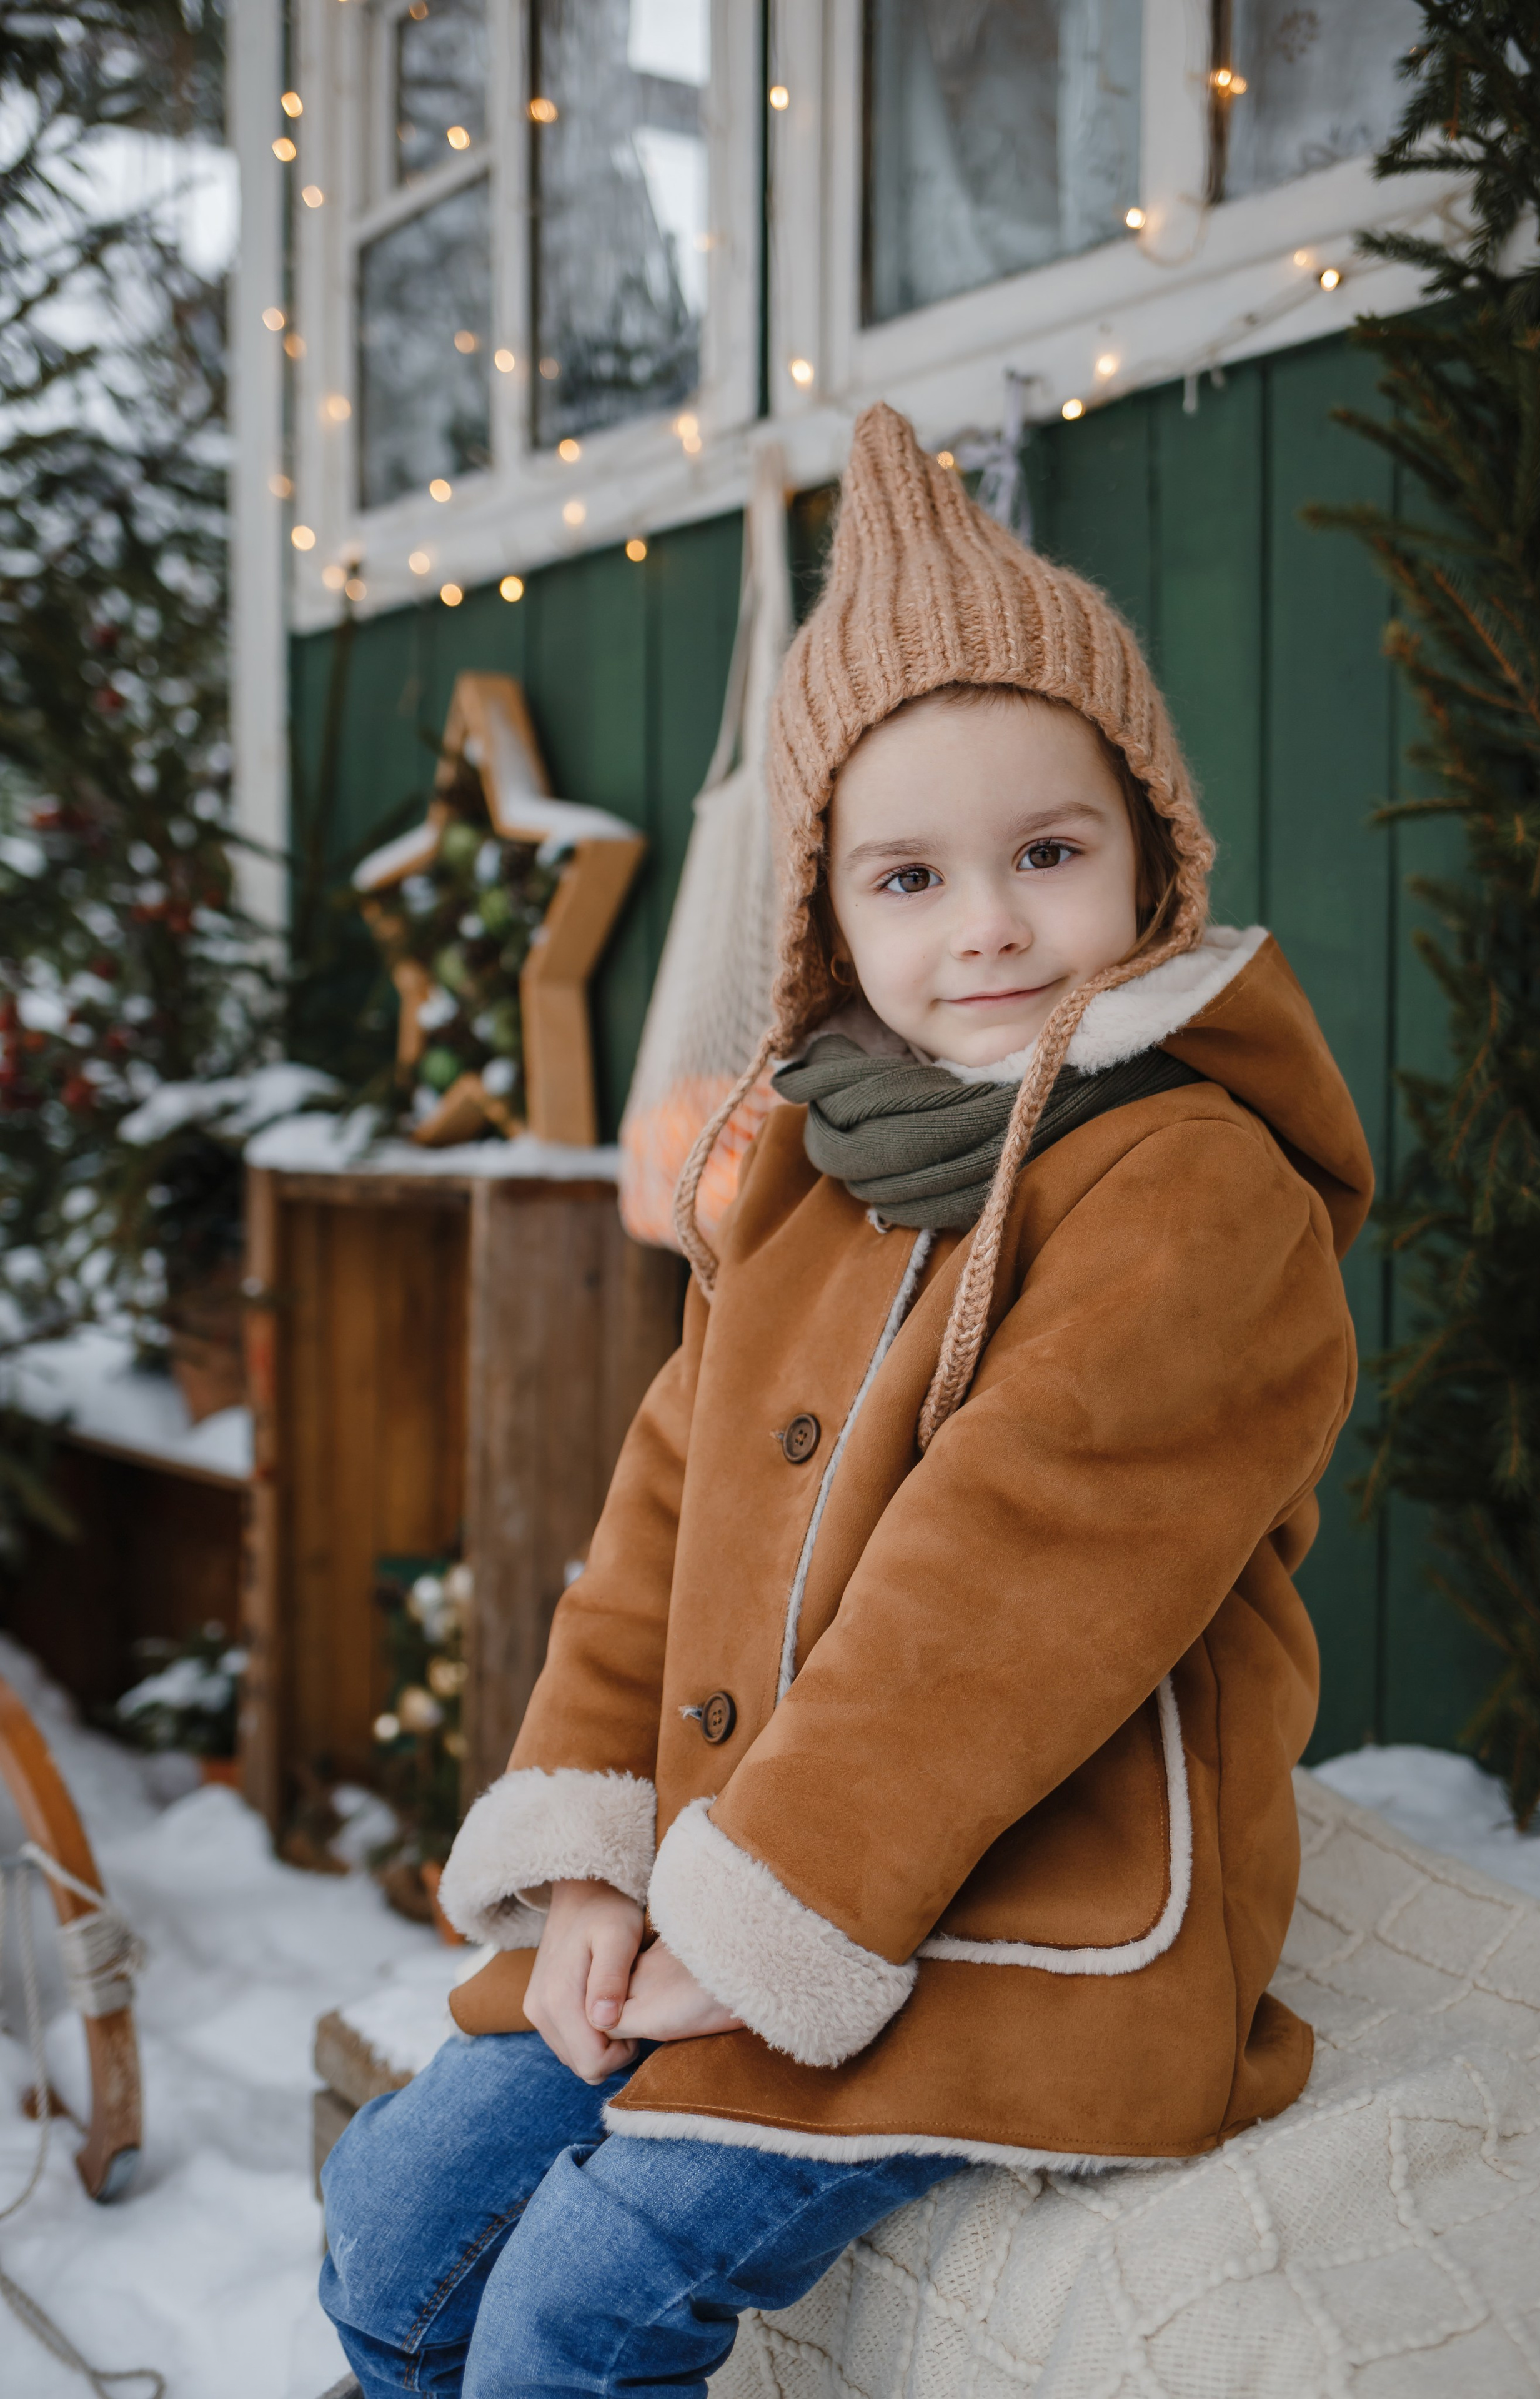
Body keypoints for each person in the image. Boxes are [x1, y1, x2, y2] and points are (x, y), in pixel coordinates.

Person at [319, 402, 1373, 2399]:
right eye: (909, 875)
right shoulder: (805, 1168)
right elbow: (660, 1521)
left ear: (1149, 862)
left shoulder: (1195, 1183)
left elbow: (1021, 1573)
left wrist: (767, 1912)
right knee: (392, 2228)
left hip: (1010, 1891)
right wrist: (599, 1871)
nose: (982, 923)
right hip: (741, 1870)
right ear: (830, 911)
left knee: (574, 2311)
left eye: (1046, 855)